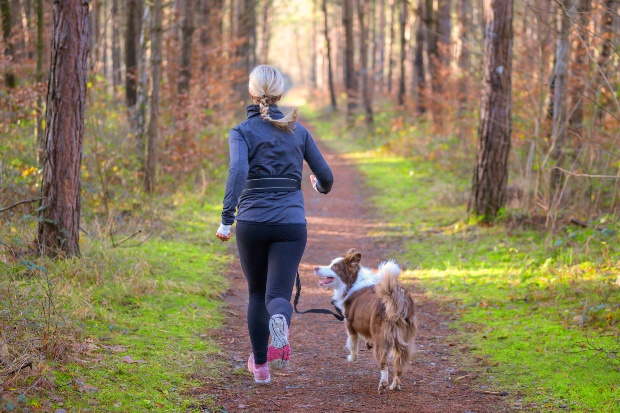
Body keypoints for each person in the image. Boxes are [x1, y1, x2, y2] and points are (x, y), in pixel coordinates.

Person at [216, 65, 334, 385]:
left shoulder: (241, 131)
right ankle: (280, 319)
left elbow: (237, 171)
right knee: (277, 295)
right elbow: (326, 177)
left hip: (252, 222)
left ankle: (261, 368)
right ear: (280, 95)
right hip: (291, 225)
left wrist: (227, 219)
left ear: (252, 94)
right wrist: (319, 188)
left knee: (256, 294)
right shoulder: (299, 131)